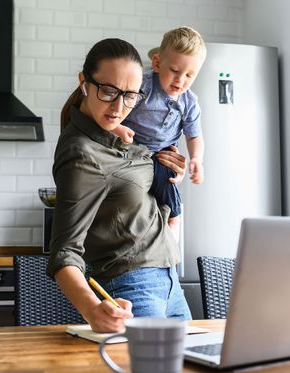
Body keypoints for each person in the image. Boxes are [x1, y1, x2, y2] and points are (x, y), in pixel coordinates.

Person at [47, 38, 192, 333]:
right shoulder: (81, 154)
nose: (118, 106)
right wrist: (91, 308)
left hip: (170, 283)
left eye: (130, 96)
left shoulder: (122, 135)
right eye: (109, 91)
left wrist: (169, 168)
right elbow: (64, 251)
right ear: (84, 82)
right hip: (133, 288)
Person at [113, 27, 207, 240]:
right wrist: (118, 128)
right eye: (174, 70)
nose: (180, 80)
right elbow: (117, 110)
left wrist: (197, 160)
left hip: (162, 154)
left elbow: (194, 136)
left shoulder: (189, 102)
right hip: (130, 147)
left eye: (189, 75)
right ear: (157, 63)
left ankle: (172, 232)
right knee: (133, 193)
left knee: (170, 193)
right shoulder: (142, 86)